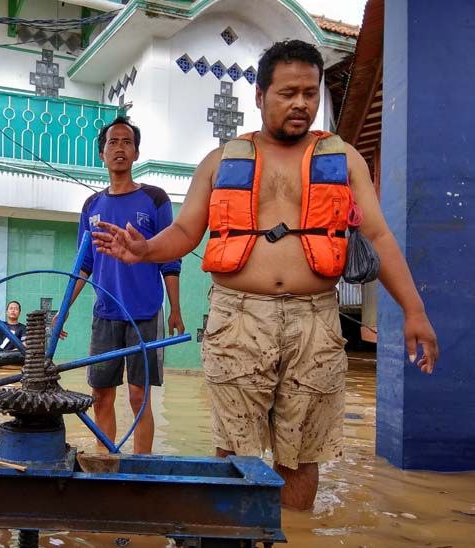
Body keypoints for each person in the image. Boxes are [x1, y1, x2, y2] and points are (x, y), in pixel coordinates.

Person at [91, 41, 438, 510]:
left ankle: (296, 534)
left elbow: (378, 237)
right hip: (237, 320)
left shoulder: (344, 159)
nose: (301, 104)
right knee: (233, 449)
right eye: (288, 92)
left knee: (303, 457)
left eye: (310, 93)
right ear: (259, 96)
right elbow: (187, 231)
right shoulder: (218, 163)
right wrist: (146, 249)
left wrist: (414, 311)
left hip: (315, 321)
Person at [56, 116, 184, 455]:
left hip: (145, 312)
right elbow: (84, 264)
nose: (120, 148)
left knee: (139, 395)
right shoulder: (92, 206)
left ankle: (142, 467)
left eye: (127, 142)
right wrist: (63, 310)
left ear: (136, 152)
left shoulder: (156, 200)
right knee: (101, 394)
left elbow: (170, 258)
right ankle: (106, 461)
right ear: (102, 153)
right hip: (106, 314)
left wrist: (176, 310)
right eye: (113, 142)